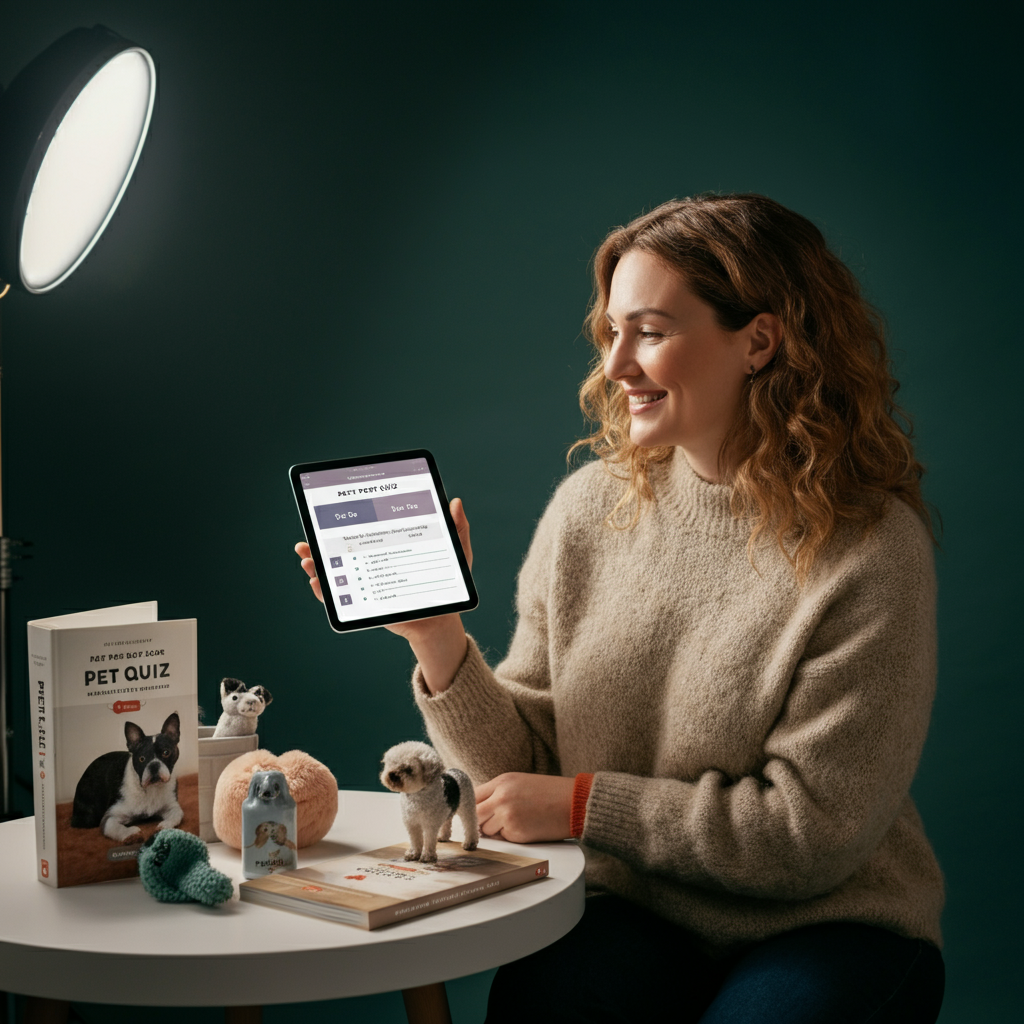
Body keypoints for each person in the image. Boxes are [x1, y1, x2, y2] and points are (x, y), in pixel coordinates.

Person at [296, 193, 945, 1023]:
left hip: (829, 924)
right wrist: (437, 639)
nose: (615, 367)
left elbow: (806, 835)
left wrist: (580, 806)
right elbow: (521, 765)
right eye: (612, 333)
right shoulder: (588, 511)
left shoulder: (871, 549)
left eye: (651, 331)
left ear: (758, 340)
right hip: (638, 914)